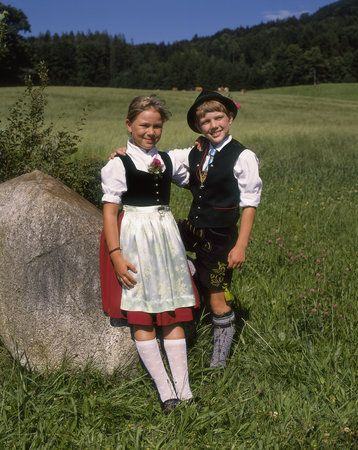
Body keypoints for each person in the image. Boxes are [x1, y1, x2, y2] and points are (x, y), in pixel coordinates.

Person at [112, 90, 262, 369]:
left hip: (220, 237)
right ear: (199, 126)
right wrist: (125, 153)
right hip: (192, 229)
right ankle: (190, 271)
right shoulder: (195, 151)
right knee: (161, 247)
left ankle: (218, 363)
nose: (213, 125)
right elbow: (157, 160)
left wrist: (240, 245)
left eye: (219, 118)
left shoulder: (243, 156)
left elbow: (249, 204)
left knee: (216, 298)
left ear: (229, 119)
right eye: (206, 122)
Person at [100, 95, 198, 411]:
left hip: (165, 239)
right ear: (129, 125)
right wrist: (116, 254)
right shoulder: (118, 163)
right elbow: (110, 210)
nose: (151, 131)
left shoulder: (169, 160)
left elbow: (200, 171)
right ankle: (165, 392)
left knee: (172, 312)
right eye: (144, 125)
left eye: (157, 126)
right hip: (134, 239)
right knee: (142, 314)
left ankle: (185, 393)